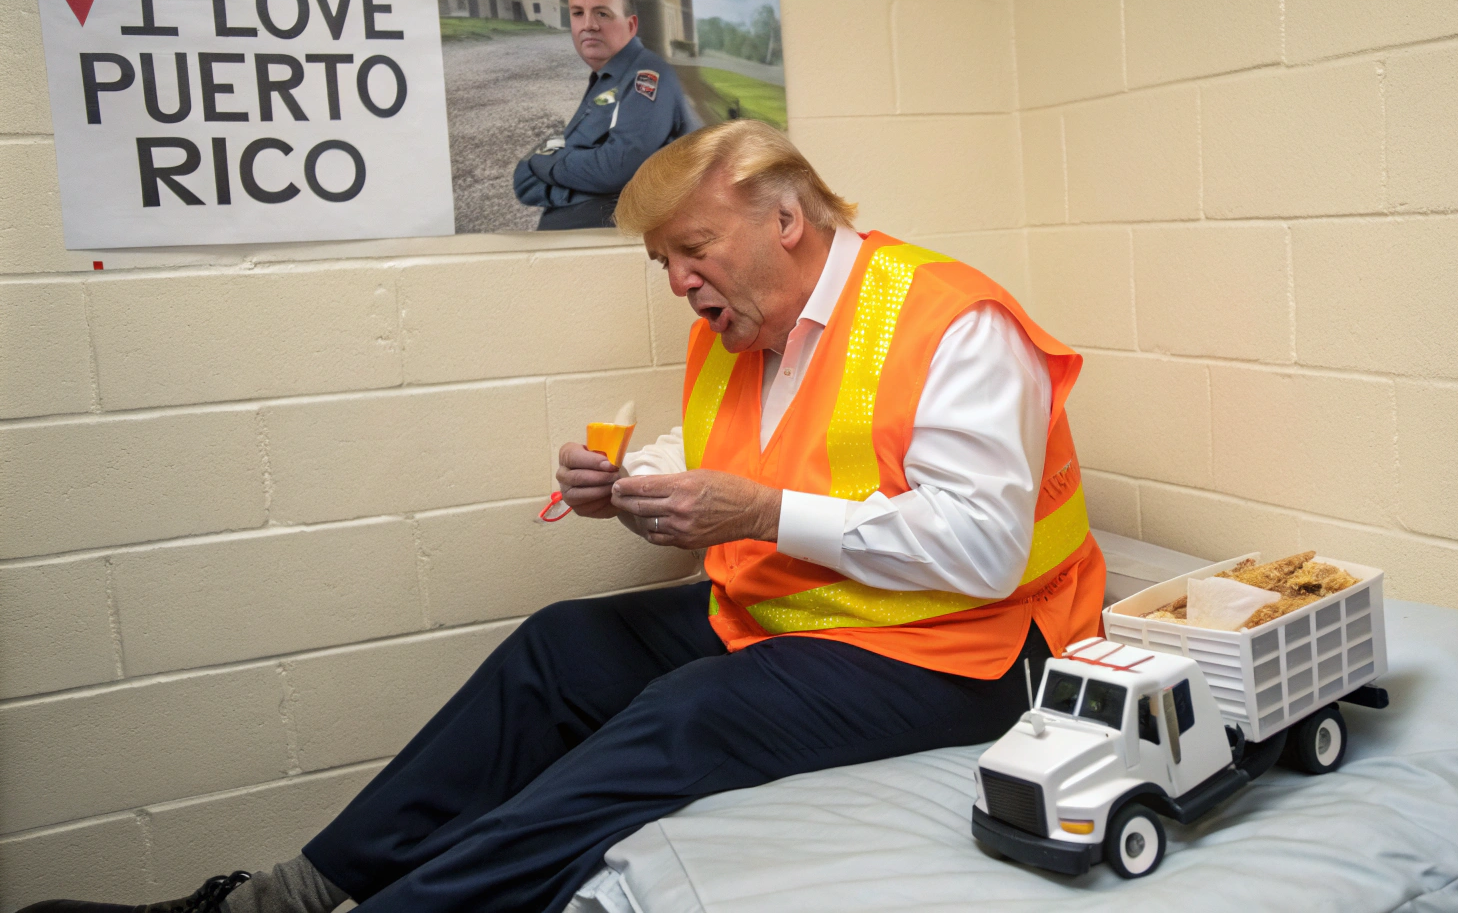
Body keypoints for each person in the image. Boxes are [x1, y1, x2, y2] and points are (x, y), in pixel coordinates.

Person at [27, 121, 1106, 913]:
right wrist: (634, 481)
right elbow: (770, 456)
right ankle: (281, 898)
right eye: (663, 264)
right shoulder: (740, 327)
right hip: (814, 615)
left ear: (785, 216)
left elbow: (979, 546)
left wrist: (760, 511)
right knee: (559, 647)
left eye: (692, 249)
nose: (679, 282)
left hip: (970, 648)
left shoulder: (950, 320)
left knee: (688, 712)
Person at [512, 0, 693, 230]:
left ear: (630, 26)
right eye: (577, 13)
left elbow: (618, 169)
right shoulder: (606, 78)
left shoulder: (647, 75)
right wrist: (577, 177)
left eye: (602, 13)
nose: (588, 25)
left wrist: (544, 162)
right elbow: (524, 181)